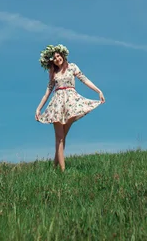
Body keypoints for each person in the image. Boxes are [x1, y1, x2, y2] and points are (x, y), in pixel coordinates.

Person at [35, 44, 105, 172]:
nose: (57, 59)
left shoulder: (72, 67)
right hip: (57, 105)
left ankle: (54, 167)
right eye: (54, 58)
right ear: (52, 61)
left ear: (62, 55)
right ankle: (62, 171)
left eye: (58, 56)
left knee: (62, 138)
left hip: (71, 103)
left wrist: (98, 91)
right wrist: (38, 109)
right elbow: (47, 93)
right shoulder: (53, 74)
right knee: (60, 138)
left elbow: (84, 79)